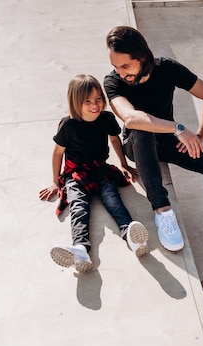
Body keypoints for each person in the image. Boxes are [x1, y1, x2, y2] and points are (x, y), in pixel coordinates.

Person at [103, 26, 203, 269]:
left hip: (168, 143)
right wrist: (179, 128)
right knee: (142, 128)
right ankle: (163, 211)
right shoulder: (112, 82)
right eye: (116, 66)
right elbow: (130, 118)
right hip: (137, 145)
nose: (120, 73)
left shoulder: (168, 69)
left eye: (125, 66)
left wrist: (201, 137)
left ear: (141, 58)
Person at [39, 74, 149, 273]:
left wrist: (123, 164)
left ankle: (132, 238)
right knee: (79, 206)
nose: (95, 105)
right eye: (87, 101)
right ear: (75, 102)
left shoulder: (106, 118)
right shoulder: (68, 125)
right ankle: (81, 249)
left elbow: (115, 140)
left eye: (98, 99)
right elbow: (57, 154)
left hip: (100, 168)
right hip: (75, 174)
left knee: (113, 200)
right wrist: (55, 182)